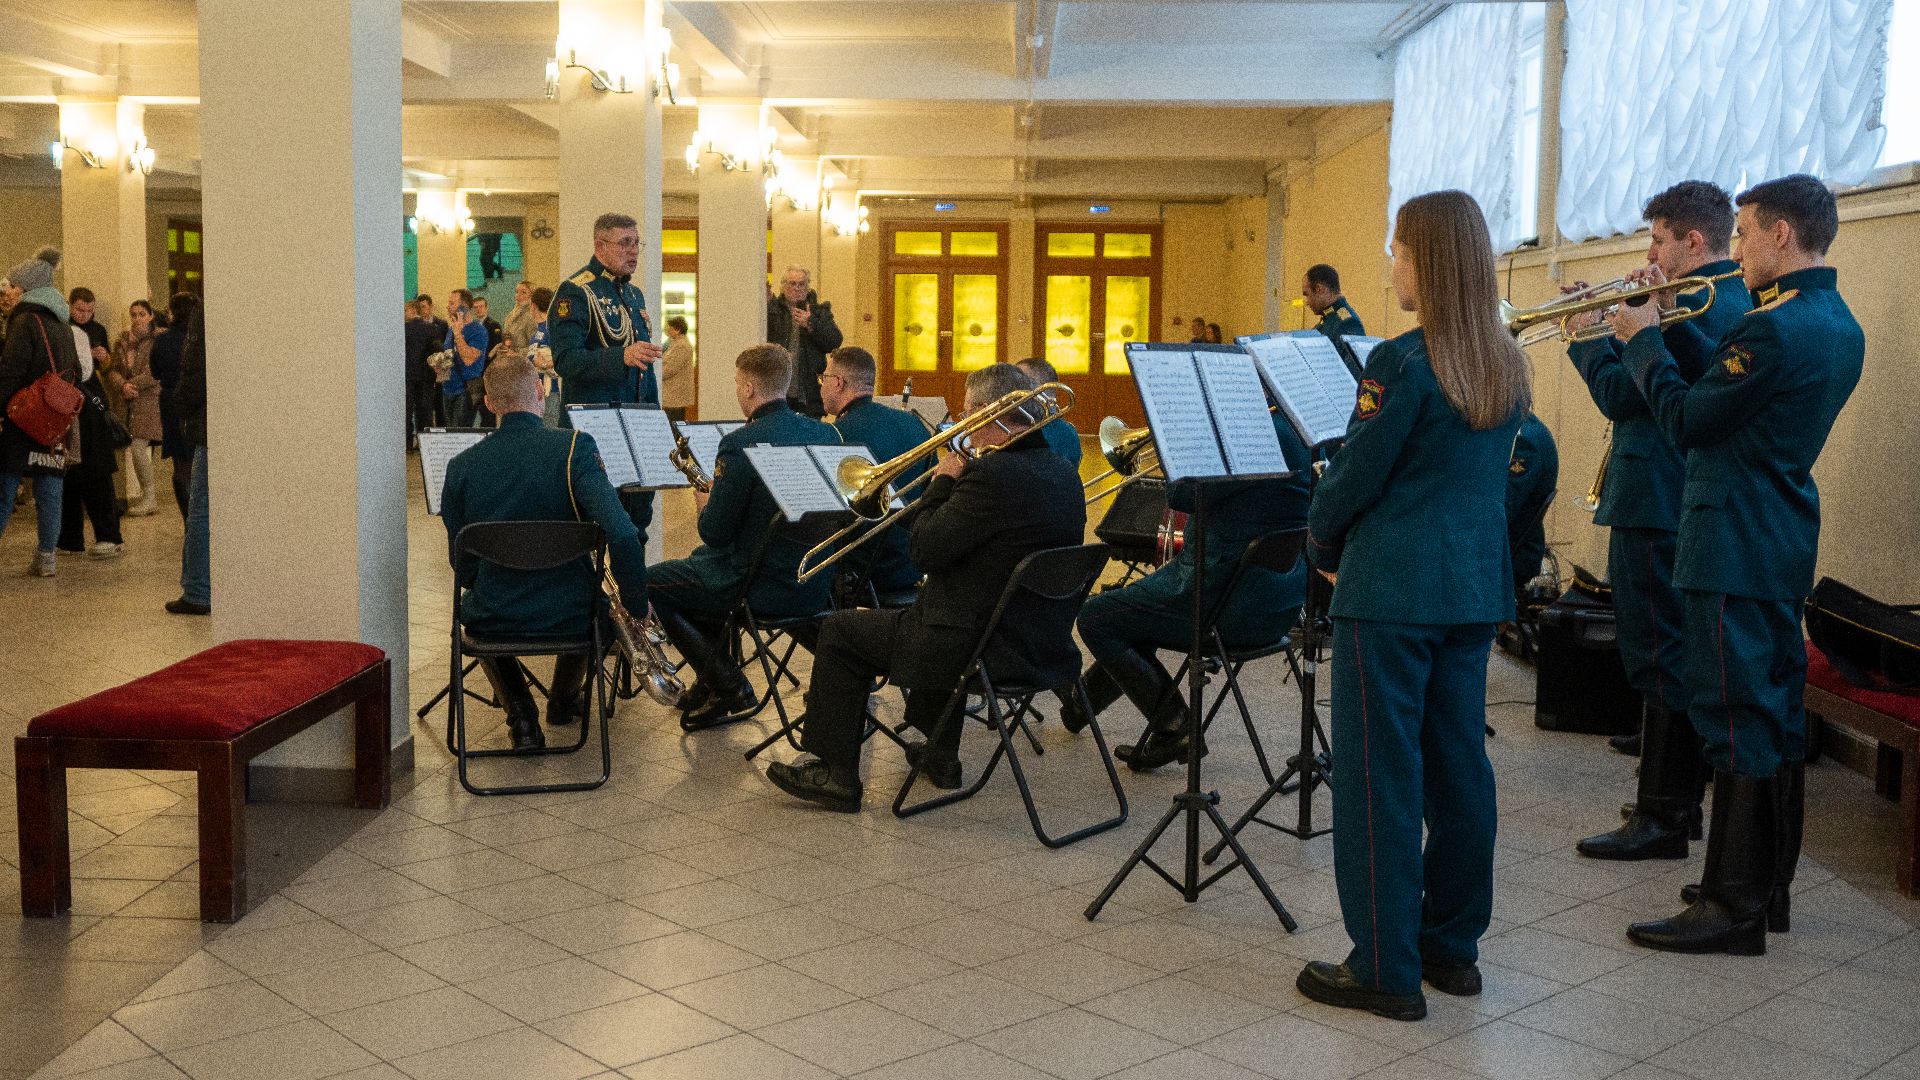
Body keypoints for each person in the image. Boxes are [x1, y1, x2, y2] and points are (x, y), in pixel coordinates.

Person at [1296, 190, 1530, 1022]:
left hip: (1391, 593)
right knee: (1458, 768)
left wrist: (1321, 548)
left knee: (1377, 779)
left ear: (1426, 261)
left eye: (1397, 250)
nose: (1390, 264)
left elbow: (1353, 480)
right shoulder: (1505, 360)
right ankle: (1451, 948)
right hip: (1470, 591)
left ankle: (1385, 967)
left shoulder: (1399, 361)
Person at [1616, 175, 1862, 956]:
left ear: (1782, 234)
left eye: (1749, 233)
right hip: (1777, 535)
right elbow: (1731, 378)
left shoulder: (1778, 330)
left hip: (1731, 543)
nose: (1741, 248)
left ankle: (1732, 904)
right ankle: (1764, 888)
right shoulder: (1829, 319)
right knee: (1771, 714)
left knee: (1734, 719)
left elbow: (1692, 420)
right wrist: (1666, 324)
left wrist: (1641, 341)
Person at [764, 363, 1086, 810]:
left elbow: (925, 551)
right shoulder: (1060, 470)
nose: (961, 425)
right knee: (941, 604)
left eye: (968, 412)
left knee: (841, 630)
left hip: (978, 648)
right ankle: (940, 753)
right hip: (1036, 639)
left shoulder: (991, 476)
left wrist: (942, 480)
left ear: (988, 414)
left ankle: (835, 772)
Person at [1567, 181, 1750, 856]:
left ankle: (1664, 816)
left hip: (1658, 493)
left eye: (1656, 239)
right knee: (1666, 652)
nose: (1648, 252)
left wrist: (1590, 337)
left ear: (1692, 242)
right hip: (1669, 493)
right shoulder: (1721, 300)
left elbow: (1623, 395)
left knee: (1658, 654)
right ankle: (1666, 802)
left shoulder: (1706, 305)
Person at [1061, 413, 1313, 770]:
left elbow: (1182, 494)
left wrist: (1178, 442)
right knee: (1132, 615)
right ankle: (1077, 708)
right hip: (1279, 602)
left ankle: (1175, 726)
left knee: (1096, 616)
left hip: (1222, 601)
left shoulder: (1251, 433)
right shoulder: (1293, 429)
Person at [440, 354, 650, 751]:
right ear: (539, 390)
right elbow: (622, 535)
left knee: (475, 615)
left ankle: (521, 718)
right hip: (572, 614)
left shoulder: (461, 466)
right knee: (600, 609)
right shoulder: (574, 449)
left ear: (488, 404)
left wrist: (494, 583)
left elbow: (462, 565)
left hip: (495, 615)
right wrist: (637, 606)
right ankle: (564, 699)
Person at [649, 344, 840, 729]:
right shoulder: (827, 435)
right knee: (692, 574)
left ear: (750, 388)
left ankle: (729, 684)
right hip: (817, 581)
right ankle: (712, 678)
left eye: (738, 383)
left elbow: (715, 534)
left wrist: (704, 502)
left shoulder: (739, 444)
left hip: (756, 586)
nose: (737, 390)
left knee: (652, 582)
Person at [549, 213, 664, 544]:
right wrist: (620, 356)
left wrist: (655, 422)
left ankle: (632, 595)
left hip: (637, 429)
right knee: (591, 526)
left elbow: (645, 370)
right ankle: (591, 596)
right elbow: (566, 361)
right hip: (598, 432)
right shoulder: (576, 292)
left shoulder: (633, 295)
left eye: (636, 243)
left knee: (637, 523)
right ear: (600, 245)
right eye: (624, 243)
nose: (633, 251)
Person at [821, 346, 932, 602]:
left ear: (838, 383)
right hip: (912, 562)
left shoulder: (836, 435)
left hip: (865, 570)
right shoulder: (914, 423)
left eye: (823, 378)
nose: (821, 386)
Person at [0, 248, 79, 577]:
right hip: (55, 420)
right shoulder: (62, 322)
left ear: (27, 290)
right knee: (50, 489)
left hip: (23, 417)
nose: (9, 292)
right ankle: (47, 556)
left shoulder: (24, 321)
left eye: (13, 286)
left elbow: (10, 371)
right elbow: (76, 371)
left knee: (5, 485)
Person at [60, 288, 123, 559]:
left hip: (92, 404)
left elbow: (108, 369)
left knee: (96, 470)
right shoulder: (63, 328)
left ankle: (108, 535)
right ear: (70, 306)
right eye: (79, 310)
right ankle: (70, 538)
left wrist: (104, 358)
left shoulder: (98, 329)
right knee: (69, 472)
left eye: (88, 310)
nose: (84, 315)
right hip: (69, 404)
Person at [168, 304, 210, 615]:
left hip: (209, 424)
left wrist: (179, 406)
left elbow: (194, 371)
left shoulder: (205, 310)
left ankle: (197, 590)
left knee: (200, 509)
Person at [767, 266, 844, 418]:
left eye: (801, 284)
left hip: (809, 393)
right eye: (792, 283)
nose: (796, 288)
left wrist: (811, 324)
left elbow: (835, 341)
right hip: (778, 390)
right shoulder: (772, 311)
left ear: (808, 287)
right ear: (783, 286)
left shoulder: (819, 311)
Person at [113, 300, 164, 516]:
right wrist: (122, 385)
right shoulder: (123, 341)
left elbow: (156, 370)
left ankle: (149, 495)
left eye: (142, 314)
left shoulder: (158, 338)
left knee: (138, 446)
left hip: (150, 399)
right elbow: (114, 369)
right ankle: (146, 496)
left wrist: (131, 385)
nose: (137, 318)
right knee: (132, 447)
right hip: (127, 401)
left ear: (151, 316)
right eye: (133, 314)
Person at [149, 292, 197, 517]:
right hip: (197, 402)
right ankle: (201, 514)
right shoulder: (200, 339)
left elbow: (155, 371)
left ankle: (188, 517)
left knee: (180, 464)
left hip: (171, 401)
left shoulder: (163, 340)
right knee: (200, 458)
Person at [1504, 411, 1557, 593]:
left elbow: (1505, 506)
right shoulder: (1523, 427)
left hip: (1513, 553)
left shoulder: (1523, 439)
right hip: (1508, 546)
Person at [1014, 357, 1082, 465]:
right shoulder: (1066, 429)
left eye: (1017, 382)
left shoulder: (1054, 431)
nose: (1011, 389)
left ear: (1039, 386)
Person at [441, 289, 487, 427]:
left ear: (464, 307)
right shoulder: (451, 329)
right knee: (450, 436)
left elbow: (468, 359)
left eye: (452, 303)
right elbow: (450, 355)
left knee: (460, 435)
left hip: (464, 390)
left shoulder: (478, 331)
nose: (447, 306)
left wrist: (458, 334)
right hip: (447, 389)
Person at [404, 298, 443, 446]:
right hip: (426, 377)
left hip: (407, 376)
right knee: (425, 411)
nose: (404, 313)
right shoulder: (432, 329)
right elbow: (438, 351)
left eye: (405, 310)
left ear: (413, 310)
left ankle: (407, 444)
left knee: (407, 412)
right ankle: (424, 443)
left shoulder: (404, 329)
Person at [1304, 264, 1366, 338]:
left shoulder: (1348, 323)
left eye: (1307, 294)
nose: (1307, 302)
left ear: (1319, 289)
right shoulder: (1329, 319)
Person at [660, 315, 694, 423]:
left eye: (668, 328)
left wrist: (654, 373)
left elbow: (670, 369)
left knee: (673, 428)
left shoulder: (682, 346)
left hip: (675, 397)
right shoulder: (673, 343)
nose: (666, 330)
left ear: (677, 329)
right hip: (671, 397)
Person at [502, 280, 539, 362]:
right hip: (510, 361)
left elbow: (535, 346)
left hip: (525, 364)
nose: (518, 295)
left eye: (523, 292)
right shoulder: (510, 316)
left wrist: (517, 353)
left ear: (532, 296)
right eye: (517, 292)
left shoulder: (531, 317)